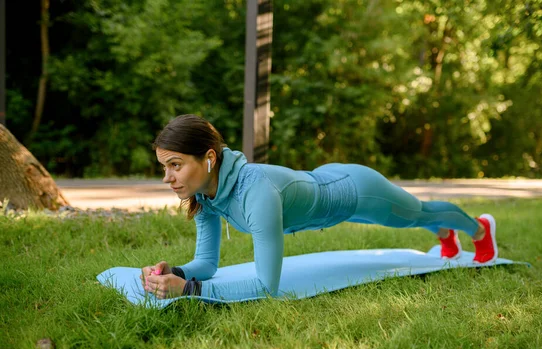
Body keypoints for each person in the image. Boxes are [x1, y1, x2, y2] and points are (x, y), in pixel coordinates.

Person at [141, 114, 498, 300]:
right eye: (164, 167)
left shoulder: (256, 192)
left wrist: (189, 291)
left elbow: (267, 286)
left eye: (175, 165)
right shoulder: (205, 195)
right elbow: (207, 264)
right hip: (323, 184)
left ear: (208, 158)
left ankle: (480, 229)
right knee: (416, 219)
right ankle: (444, 234)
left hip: (356, 192)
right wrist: (177, 272)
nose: (167, 177)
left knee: (417, 214)